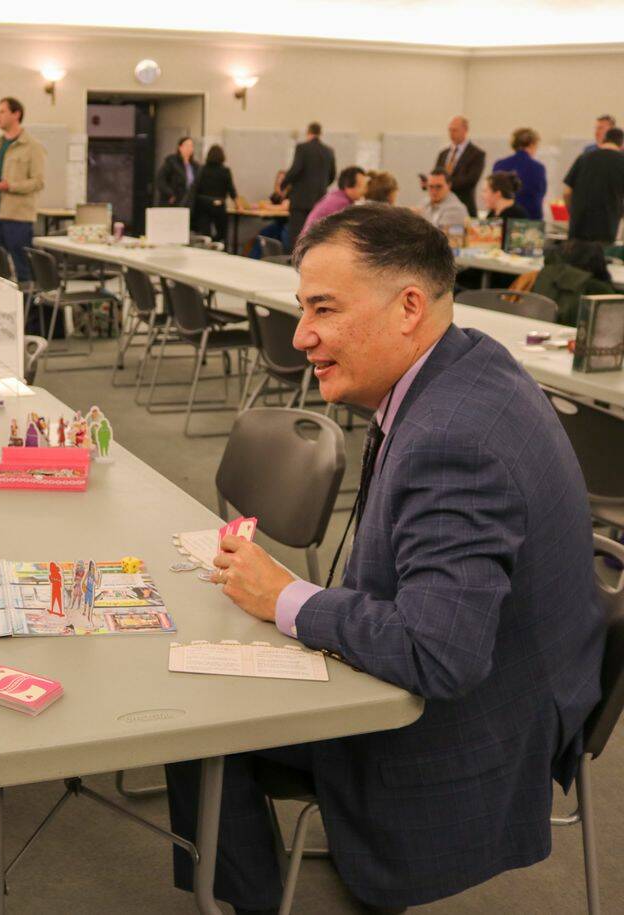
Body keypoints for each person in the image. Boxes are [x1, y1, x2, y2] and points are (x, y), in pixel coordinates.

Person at [167, 204, 602, 914]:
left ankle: (242, 902)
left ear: (408, 308)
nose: (302, 334)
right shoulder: (463, 366)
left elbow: (438, 654)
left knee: (194, 713)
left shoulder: (452, 440)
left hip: (470, 731)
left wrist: (285, 597)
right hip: (515, 677)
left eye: (323, 309)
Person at [0, 96, 47, 282]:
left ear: (16, 114)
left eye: (2, 111)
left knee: (22, 266)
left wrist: (11, 186)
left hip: (17, 217)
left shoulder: (32, 146)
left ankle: (27, 308)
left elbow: (38, 182)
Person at [563, 126, 624, 242]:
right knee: (599, 258)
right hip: (607, 226)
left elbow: (566, 193)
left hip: (579, 224)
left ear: (604, 140)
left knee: (575, 258)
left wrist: (574, 213)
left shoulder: (583, 158)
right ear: (621, 144)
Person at [282, 122, 336, 250]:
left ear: (308, 132)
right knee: (314, 237)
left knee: (296, 235)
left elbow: (295, 170)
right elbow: (332, 175)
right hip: (319, 199)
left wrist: (283, 185)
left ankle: (292, 262)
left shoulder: (302, 148)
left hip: (300, 200)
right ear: (320, 133)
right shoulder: (328, 151)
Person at [433, 116, 486, 217]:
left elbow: (471, 180)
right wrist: (428, 183)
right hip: (442, 207)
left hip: (464, 204)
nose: (451, 133)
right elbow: (436, 175)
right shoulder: (443, 153)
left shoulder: (476, 154)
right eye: (450, 130)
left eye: (455, 130)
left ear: (465, 130)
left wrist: (445, 184)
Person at [491, 127, 547, 219]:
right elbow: (541, 193)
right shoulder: (538, 168)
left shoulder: (499, 164)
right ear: (532, 144)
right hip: (530, 217)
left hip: (504, 216)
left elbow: (494, 191)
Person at [302, 165, 367, 234]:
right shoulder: (341, 203)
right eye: (359, 186)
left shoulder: (336, 196)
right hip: (314, 242)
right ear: (347, 185)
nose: (364, 190)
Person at [191, 144, 237, 243]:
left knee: (205, 234)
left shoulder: (202, 169)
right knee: (221, 233)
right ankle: (217, 246)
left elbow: (196, 188)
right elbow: (231, 190)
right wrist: (238, 203)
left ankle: (208, 247)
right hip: (219, 204)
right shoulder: (225, 171)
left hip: (203, 204)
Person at [156, 136, 198, 207]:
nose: (189, 148)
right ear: (180, 147)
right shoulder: (171, 162)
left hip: (189, 202)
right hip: (174, 201)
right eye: (186, 145)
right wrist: (170, 194)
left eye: (191, 146)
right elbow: (160, 180)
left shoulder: (195, 166)